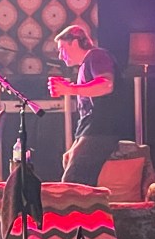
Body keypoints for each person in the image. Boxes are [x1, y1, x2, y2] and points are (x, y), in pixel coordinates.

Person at [48, 24, 129, 186]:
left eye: (62, 48)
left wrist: (70, 89)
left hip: (101, 130)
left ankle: (81, 210)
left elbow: (106, 85)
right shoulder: (87, 64)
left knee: (72, 182)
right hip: (91, 128)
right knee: (69, 161)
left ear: (75, 42)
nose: (60, 55)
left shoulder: (96, 55)